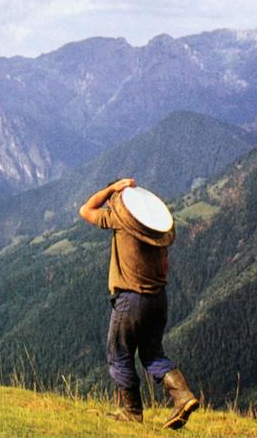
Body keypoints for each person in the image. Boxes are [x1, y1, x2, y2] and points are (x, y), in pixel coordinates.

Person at [79, 177, 199, 430]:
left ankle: (132, 411)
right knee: (152, 353)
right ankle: (183, 396)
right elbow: (166, 268)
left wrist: (112, 189)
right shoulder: (158, 233)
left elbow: (86, 210)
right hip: (158, 299)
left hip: (131, 300)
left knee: (119, 353)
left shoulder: (120, 222)